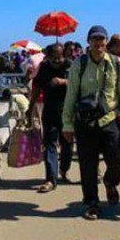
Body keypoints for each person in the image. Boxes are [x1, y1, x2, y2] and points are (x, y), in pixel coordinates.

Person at [62, 25, 120, 220]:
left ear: (106, 42)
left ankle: (110, 182)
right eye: (94, 39)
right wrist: (67, 125)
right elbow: (71, 95)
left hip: (109, 119)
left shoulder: (116, 64)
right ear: (89, 42)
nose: (98, 43)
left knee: (117, 160)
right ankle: (92, 203)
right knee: (88, 165)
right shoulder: (80, 64)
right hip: (85, 122)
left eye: (101, 39)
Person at [28, 43, 72, 192]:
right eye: (54, 57)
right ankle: (51, 180)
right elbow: (37, 88)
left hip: (68, 112)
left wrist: (62, 81)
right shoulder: (44, 67)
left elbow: (79, 84)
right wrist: (30, 107)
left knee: (67, 146)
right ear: (48, 56)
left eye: (59, 57)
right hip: (50, 111)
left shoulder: (70, 65)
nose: (57, 60)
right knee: (50, 146)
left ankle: (64, 169)